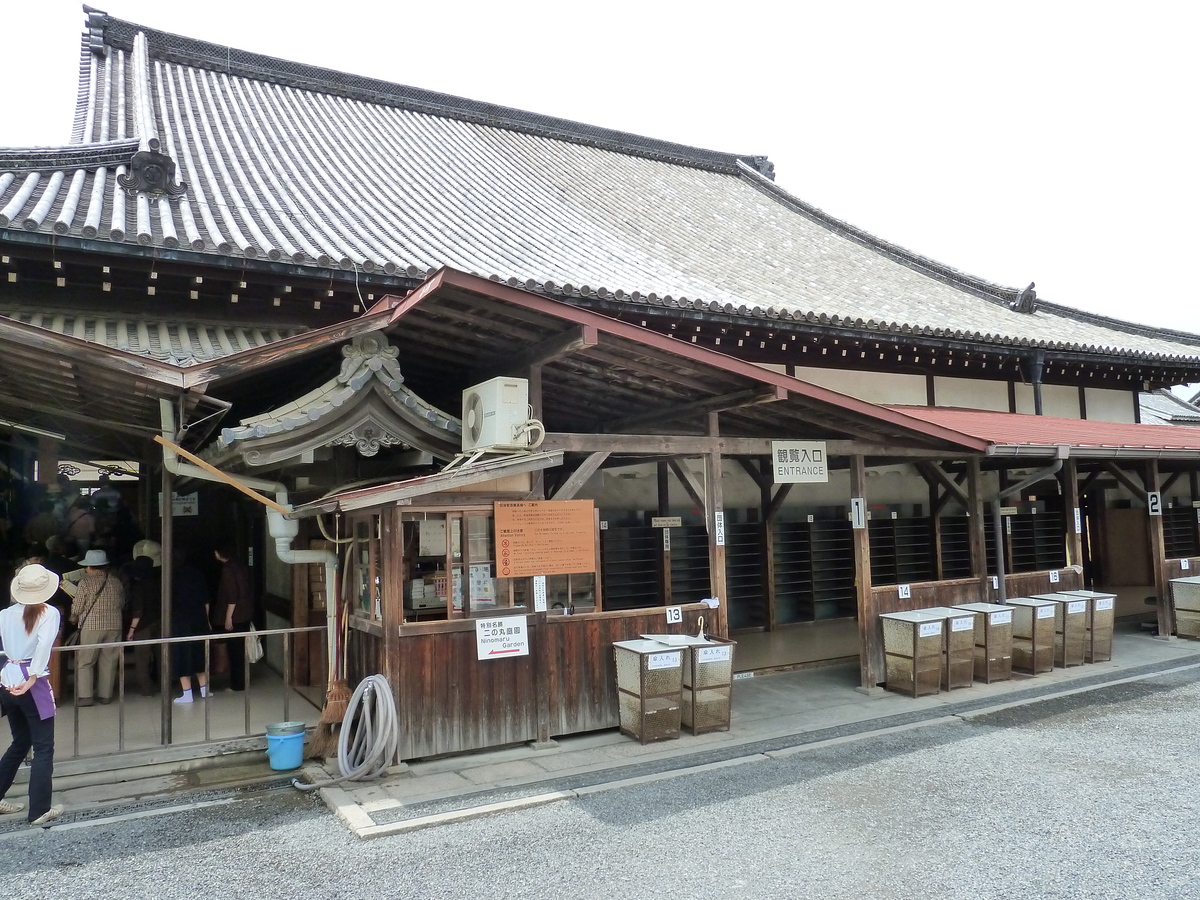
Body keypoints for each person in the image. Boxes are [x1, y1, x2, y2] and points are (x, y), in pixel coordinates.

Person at [0, 564, 64, 826]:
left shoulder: (4, 614)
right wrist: (33, 677)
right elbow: (44, 646)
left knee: (20, 742)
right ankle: (39, 810)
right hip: (31, 682)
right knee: (43, 748)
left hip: (8, 678)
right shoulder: (50, 613)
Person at [66, 549, 124, 707]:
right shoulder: (116, 582)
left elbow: (77, 607)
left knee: (86, 661)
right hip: (114, 625)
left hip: (92, 626)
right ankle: (105, 695)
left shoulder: (85, 582)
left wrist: (73, 618)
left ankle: (85, 696)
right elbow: (122, 603)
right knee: (109, 661)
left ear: (91, 567)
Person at [213, 541, 255, 692]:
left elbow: (232, 596)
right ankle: (241, 681)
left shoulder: (228, 569)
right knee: (240, 649)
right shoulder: (240, 566)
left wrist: (228, 617)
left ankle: (237, 684)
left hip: (236, 616)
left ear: (220, 553)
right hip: (245, 613)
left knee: (235, 650)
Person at [123, 540, 162, 696]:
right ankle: (162, 684)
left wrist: (131, 630)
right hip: (159, 622)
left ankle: (146, 689)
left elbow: (138, 610)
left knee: (142, 660)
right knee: (161, 656)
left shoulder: (139, 586)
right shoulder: (158, 582)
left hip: (142, 626)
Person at [171, 548, 210, 704]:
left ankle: (187, 694)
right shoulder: (197, 573)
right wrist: (207, 621)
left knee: (182, 655)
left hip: (180, 620)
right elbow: (206, 600)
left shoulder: (172, 575)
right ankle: (204, 690)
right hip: (199, 618)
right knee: (199, 652)